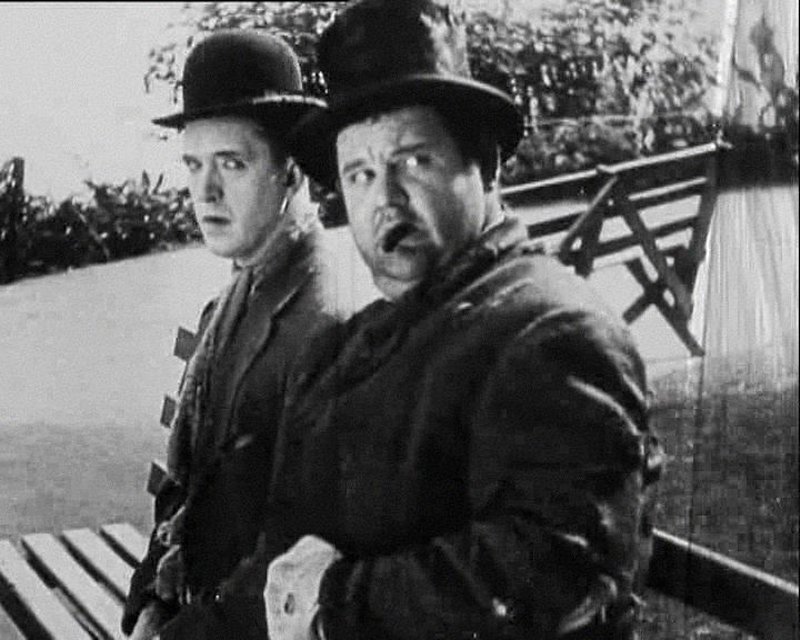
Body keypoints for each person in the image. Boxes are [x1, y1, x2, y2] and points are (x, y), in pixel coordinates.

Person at [260, 1, 664, 638]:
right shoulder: (350, 344)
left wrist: (335, 600)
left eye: (414, 161)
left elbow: (553, 572)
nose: (385, 200)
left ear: (486, 164)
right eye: (360, 175)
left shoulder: (552, 332)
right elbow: (282, 553)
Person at [121, 29, 339, 640]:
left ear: (291, 172)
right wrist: (150, 603)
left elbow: (300, 549)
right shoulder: (229, 303)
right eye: (193, 165)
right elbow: (182, 490)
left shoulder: (328, 318)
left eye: (232, 164)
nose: (205, 192)